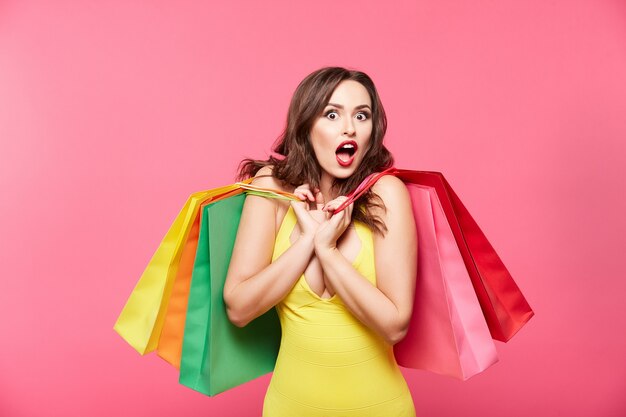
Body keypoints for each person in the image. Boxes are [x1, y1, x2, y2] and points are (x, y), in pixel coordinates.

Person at [223, 67, 418, 417]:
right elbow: (238, 308)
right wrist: (308, 240)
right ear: (306, 126)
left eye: (362, 115)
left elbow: (394, 325)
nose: (350, 128)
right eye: (332, 114)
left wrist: (328, 251)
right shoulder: (270, 188)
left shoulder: (387, 194)